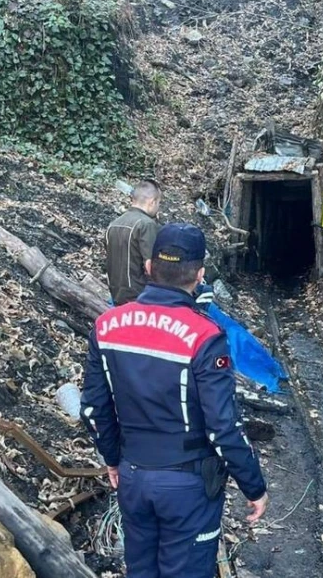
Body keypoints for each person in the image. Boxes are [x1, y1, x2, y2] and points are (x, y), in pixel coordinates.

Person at [80, 223, 269, 578]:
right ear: (199, 277)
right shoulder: (205, 336)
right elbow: (223, 426)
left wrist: (111, 458)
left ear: (149, 267)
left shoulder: (106, 326)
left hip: (133, 475)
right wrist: (253, 485)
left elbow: (93, 408)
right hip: (188, 486)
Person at [106, 179, 162, 305]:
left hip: (116, 296)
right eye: (158, 202)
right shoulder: (146, 224)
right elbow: (150, 266)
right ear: (152, 202)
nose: (158, 207)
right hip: (140, 297)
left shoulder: (113, 224)